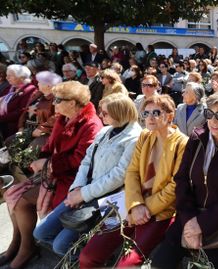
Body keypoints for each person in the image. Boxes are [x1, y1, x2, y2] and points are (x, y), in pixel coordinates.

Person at [150, 90, 218, 268]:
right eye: (209, 114)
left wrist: (202, 224)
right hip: (188, 215)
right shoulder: (196, 136)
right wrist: (189, 220)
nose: (213, 121)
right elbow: (182, 179)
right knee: (160, 263)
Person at [1, 81, 102, 269]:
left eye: (58, 99)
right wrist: (40, 158)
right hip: (55, 174)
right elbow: (50, 146)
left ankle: (26, 248)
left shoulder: (91, 124)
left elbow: (79, 161)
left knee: (21, 199)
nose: (53, 103)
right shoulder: (64, 117)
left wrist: (48, 164)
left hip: (73, 180)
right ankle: (17, 242)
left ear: (72, 103)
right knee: (12, 193)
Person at [79, 94, 186, 268]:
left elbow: (174, 188)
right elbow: (132, 172)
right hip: (129, 204)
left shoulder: (183, 144)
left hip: (159, 212)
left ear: (170, 115)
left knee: (127, 265)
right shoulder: (144, 136)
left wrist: (143, 209)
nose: (149, 118)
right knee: (88, 255)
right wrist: (135, 205)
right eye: (146, 113)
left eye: (156, 112)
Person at [33, 93, 142, 256]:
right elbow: (86, 162)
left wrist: (83, 195)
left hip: (108, 198)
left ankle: (93, 258)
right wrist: (75, 189)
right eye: (101, 111)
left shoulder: (134, 138)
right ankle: (85, 254)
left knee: (60, 246)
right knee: (40, 232)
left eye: (105, 113)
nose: (100, 115)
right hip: (84, 191)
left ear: (119, 113)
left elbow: (119, 176)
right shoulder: (105, 131)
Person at [0, 64, 38, 140]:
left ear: (21, 77)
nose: (7, 78)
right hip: (4, 125)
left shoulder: (30, 90)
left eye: (10, 76)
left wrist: (1, 118)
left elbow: (21, 111)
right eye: (7, 75)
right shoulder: (10, 88)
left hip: (15, 127)